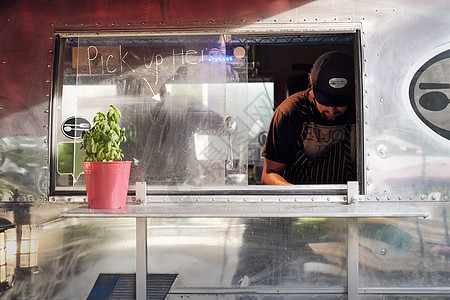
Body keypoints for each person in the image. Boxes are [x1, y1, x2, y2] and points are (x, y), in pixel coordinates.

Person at [261, 51, 356, 185]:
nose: (332, 110)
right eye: (326, 102)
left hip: (348, 202)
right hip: (300, 203)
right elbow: (269, 175)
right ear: (312, 86)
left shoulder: (361, 109)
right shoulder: (290, 112)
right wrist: (300, 199)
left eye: (340, 103)